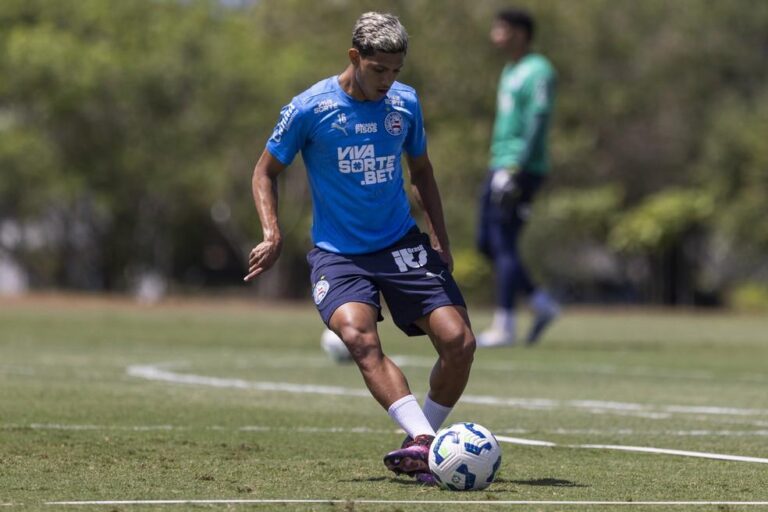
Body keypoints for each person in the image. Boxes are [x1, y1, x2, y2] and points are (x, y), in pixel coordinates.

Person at [244, 12, 476, 485]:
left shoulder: (405, 105)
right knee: (358, 337)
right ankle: (426, 446)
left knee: (460, 343)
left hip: (400, 245)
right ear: (355, 58)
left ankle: (422, 442)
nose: (389, 81)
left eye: (396, 71)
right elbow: (264, 172)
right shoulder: (310, 109)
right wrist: (272, 233)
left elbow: (423, 174)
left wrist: (440, 239)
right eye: (379, 71)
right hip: (339, 254)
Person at [476, 8, 560, 348]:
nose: (496, 33)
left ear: (521, 33)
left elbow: (537, 121)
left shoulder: (539, 70)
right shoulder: (510, 69)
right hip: (499, 163)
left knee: (505, 242)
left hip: (518, 167)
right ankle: (541, 303)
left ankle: (505, 325)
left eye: (503, 28)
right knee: (487, 243)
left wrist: (517, 169)